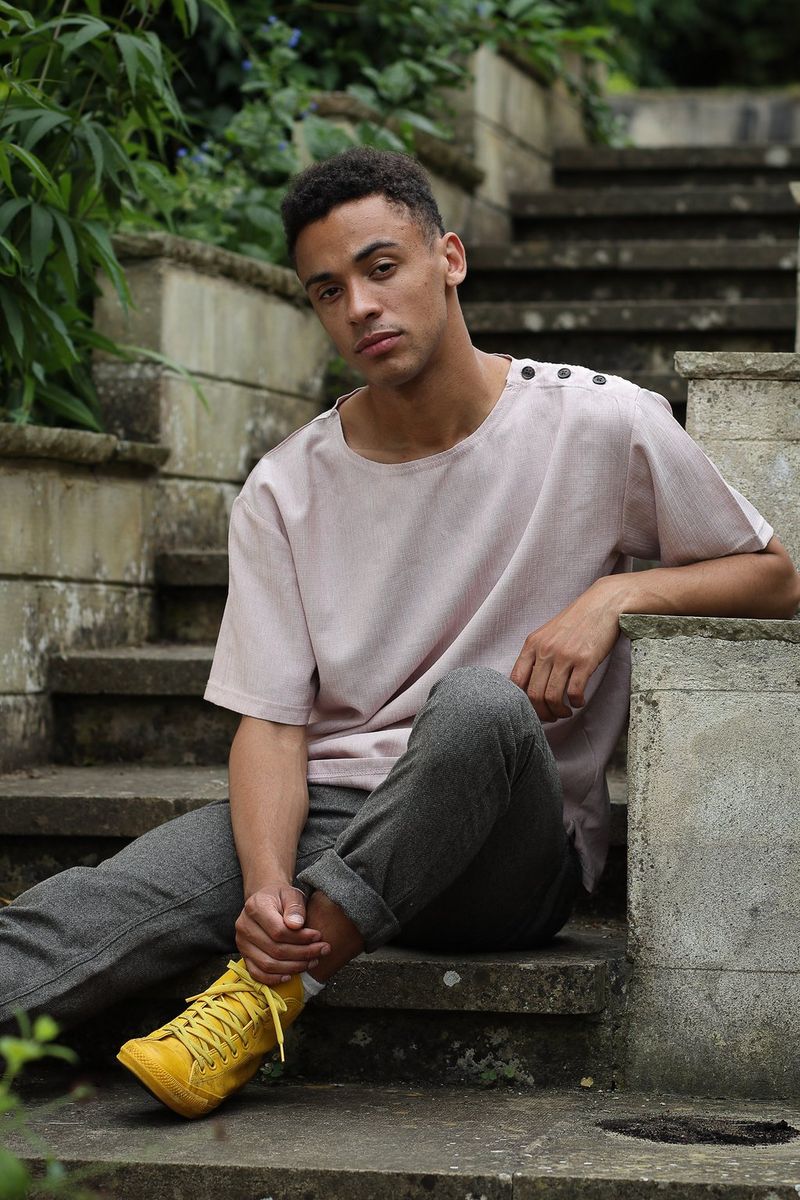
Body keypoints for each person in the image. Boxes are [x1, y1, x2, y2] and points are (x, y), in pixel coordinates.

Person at [2, 148, 798, 1120]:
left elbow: (773, 576)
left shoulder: (601, 424)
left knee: (475, 703)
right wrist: (263, 891)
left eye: (382, 268)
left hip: (506, 843)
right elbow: (271, 722)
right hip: (333, 809)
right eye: (328, 290)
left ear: (448, 258)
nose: (360, 308)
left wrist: (611, 602)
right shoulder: (284, 488)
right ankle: (270, 948)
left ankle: (264, 1001)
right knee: (77, 918)